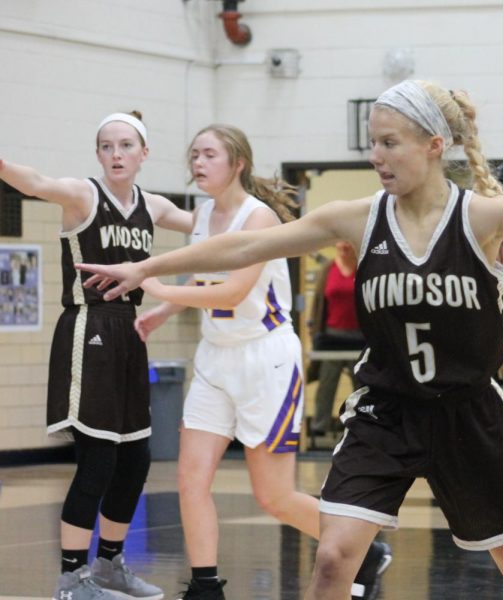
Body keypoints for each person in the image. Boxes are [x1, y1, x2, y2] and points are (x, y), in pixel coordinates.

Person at [76, 80, 503, 600]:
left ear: (435, 146)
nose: (376, 155)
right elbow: (248, 244)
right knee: (335, 557)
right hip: (387, 408)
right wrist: (145, 266)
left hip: (469, 415)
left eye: (390, 142)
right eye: (372, 142)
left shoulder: (484, 215)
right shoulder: (356, 216)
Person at [130, 124, 390, 600]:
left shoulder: (260, 219)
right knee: (190, 478)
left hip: (265, 358)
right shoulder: (205, 214)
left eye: (209, 154)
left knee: (273, 497)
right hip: (215, 356)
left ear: (238, 163)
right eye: (195, 155)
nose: (198, 162)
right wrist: (163, 312)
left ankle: (365, 548)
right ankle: (205, 586)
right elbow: (205, 274)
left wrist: (158, 286)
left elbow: (232, 289)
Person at [0, 112, 194, 600]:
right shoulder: (82, 195)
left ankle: (109, 566)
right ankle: (71, 579)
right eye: (106, 146)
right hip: (88, 329)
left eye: (126, 145)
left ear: (144, 153)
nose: (116, 154)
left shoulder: (155, 206)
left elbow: (210, 227)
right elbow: (37, 181)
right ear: (98, 154)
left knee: (136, 460)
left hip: (131, 331)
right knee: (98, 461)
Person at [307, 241, 365, 436]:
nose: (343, 247)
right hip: (332, 336)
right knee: (326, 383)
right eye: (340, 243)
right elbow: (318, 302)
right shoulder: (327, 269)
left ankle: (360, 424)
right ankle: (319, 426)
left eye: (348, 243)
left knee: (361, 385)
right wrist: (313, 330)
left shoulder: (364, 266)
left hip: (360, 336)